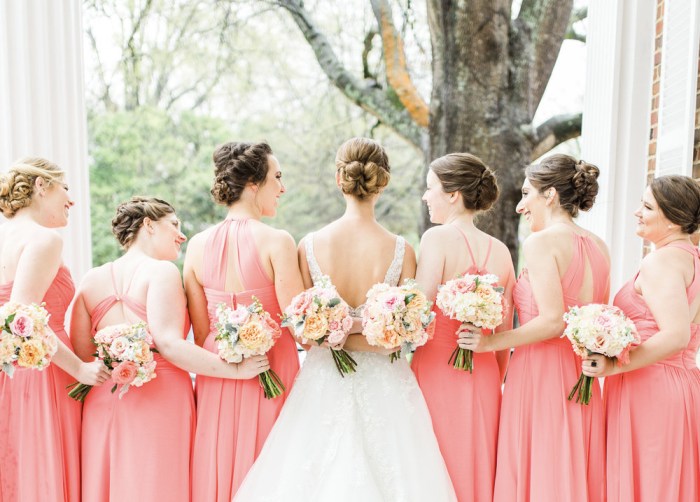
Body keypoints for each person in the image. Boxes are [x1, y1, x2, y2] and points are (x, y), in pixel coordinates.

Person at [234, 137, 456, 502]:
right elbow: (404, 337)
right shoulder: (402, 250)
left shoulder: (308, 246)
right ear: (382, 183)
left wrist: (336, 329)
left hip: (324, 381)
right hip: (386, 385)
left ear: (340, 180)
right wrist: (368, 327)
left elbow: (305, 337)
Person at [71, 196, 268, 501]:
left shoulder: (91, 279)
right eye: (174, 224)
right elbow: (169, 344)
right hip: (158, 398)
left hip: (102, 400)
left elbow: (84, 355)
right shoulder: (161, 272)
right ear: (148, 225)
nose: (182, 234)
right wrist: (236, 370)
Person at [460, 154, 609, 502]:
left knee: (542, 467)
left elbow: (553, 321)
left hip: (541, 374)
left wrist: (490, 342)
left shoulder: (541, 243)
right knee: (571, 468)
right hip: (580, 374)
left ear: (551, 195)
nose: (520, 206)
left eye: (527, 194)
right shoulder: (600, 247)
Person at [186, 142, 303, 501]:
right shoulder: (277, 241)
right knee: (272, 463)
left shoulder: (196, 245)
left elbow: (202, 331)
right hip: (273, 365)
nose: (282, 188)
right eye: (277, 177)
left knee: (219, 461)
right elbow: (298, 321)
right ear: (253, 183)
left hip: (218, 371)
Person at [582, 175, 700, 501]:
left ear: (674, 219)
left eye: (647, 207)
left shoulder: (660, 261)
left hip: (650, 388)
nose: (637, 212)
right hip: (683, 385)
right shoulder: (693, 259)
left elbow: (676, 335)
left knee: (650, 486)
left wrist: (614, 366)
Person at [0, 158, 110, 502]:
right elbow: (22, 317)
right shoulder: (44, 240)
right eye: (65, 188)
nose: (71, 200)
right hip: (45, 373)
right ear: (41, 186)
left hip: (13, 374)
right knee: (45, 471)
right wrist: (79, 368)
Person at [412, 153, 515, 502]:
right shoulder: (502, 251)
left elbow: (419, 314)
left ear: (453, 194)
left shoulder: (437, 239)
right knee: (477, 464)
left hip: (436, 369)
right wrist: (494, 379)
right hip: (485, 374)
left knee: (436, 464)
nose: (425, 197)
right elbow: (502, 332)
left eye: (430, 188)